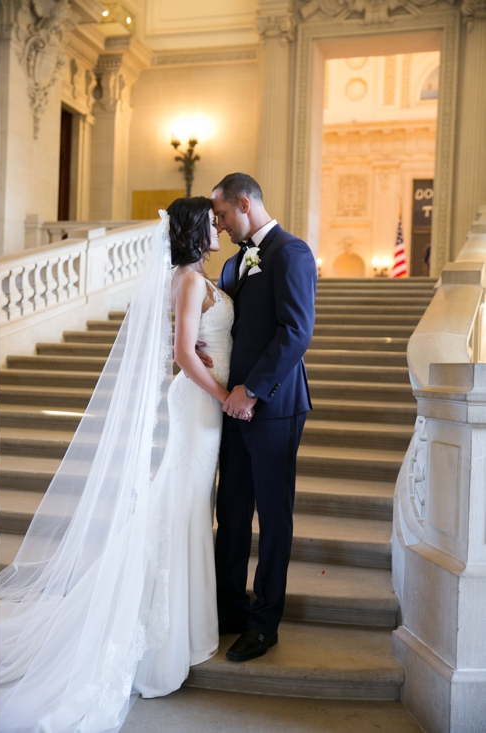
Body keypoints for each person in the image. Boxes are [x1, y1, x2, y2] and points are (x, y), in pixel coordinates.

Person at [0, 196, 238, 733]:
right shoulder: (188, 281)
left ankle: (188, 626)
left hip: (205, 402)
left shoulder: (201, 278)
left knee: (187, 509)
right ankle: (162, 637)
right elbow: (180, 351)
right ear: (196, 230)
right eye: (212, 221)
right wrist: (222, 392)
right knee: (181, 506)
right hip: (199, 402)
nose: (219, 226)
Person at [207, 173, 316, 662]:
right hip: (231, 404)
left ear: (245, 204)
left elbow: (296, 331)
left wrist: (252, 390)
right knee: (230, 510)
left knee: (273, 517)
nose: (220, 224)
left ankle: (264, 621)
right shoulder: (234, 262)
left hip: (273, 406)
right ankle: (228, 605)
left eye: (224, 215)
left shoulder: (291, 253)